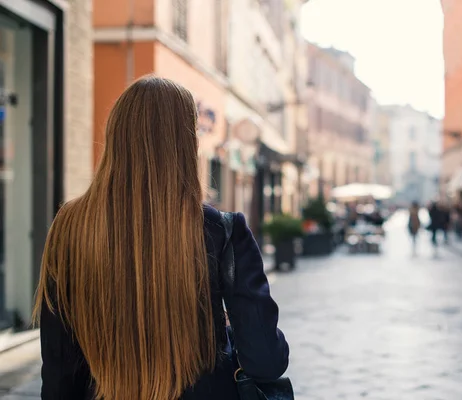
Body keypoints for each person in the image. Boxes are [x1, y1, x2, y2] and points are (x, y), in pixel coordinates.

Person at [32, 77, 289, 400]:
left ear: (114, 135)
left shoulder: (70, 226)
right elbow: (266, 361)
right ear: (187, 143)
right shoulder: (222, 230)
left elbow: (58, 372)